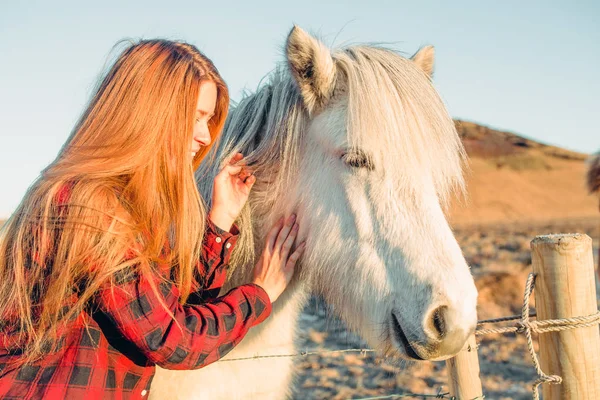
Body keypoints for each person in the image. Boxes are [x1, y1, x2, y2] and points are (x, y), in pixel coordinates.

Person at [0, 39, 305, 399]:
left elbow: (170, 305)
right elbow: (172, 339)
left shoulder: (113, 201)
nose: (205, 137)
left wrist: (220, 220)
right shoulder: (94, 207)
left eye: (208, 120)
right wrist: (260, 294)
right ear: (148, 112)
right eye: (194, 118)